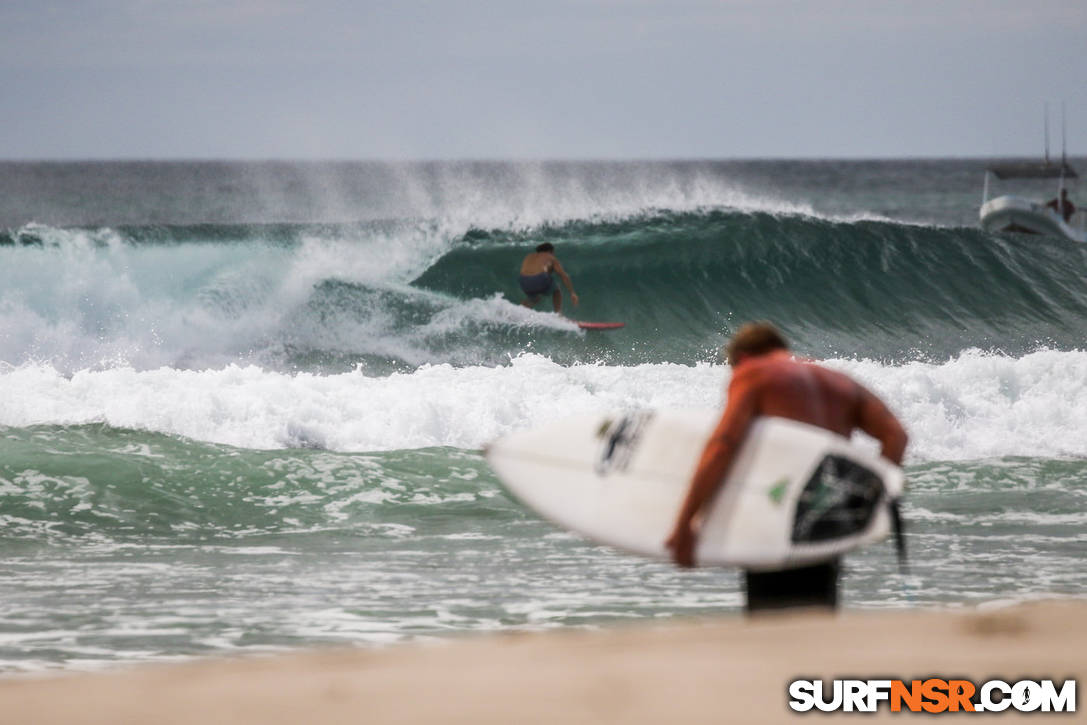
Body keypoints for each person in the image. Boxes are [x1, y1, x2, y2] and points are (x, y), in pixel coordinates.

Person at [664, 322, 908, 613]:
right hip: (825, 511)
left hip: (774, 509)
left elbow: (722, 446)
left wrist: (685, 524)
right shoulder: (838, 381)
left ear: (741, 357)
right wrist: (868, 497)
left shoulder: (753, 373)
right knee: (817, 613)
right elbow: (896, 436)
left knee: (769, 620)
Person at [519, 242, 578, 313]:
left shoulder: (528, 256)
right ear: (550, 251)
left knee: (535, 298)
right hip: (539, 278)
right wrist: (572, 293)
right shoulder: (550, 257)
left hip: (523, 281)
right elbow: (563, 275)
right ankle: (558, 314)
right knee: (557, 290)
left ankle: (519, 311)